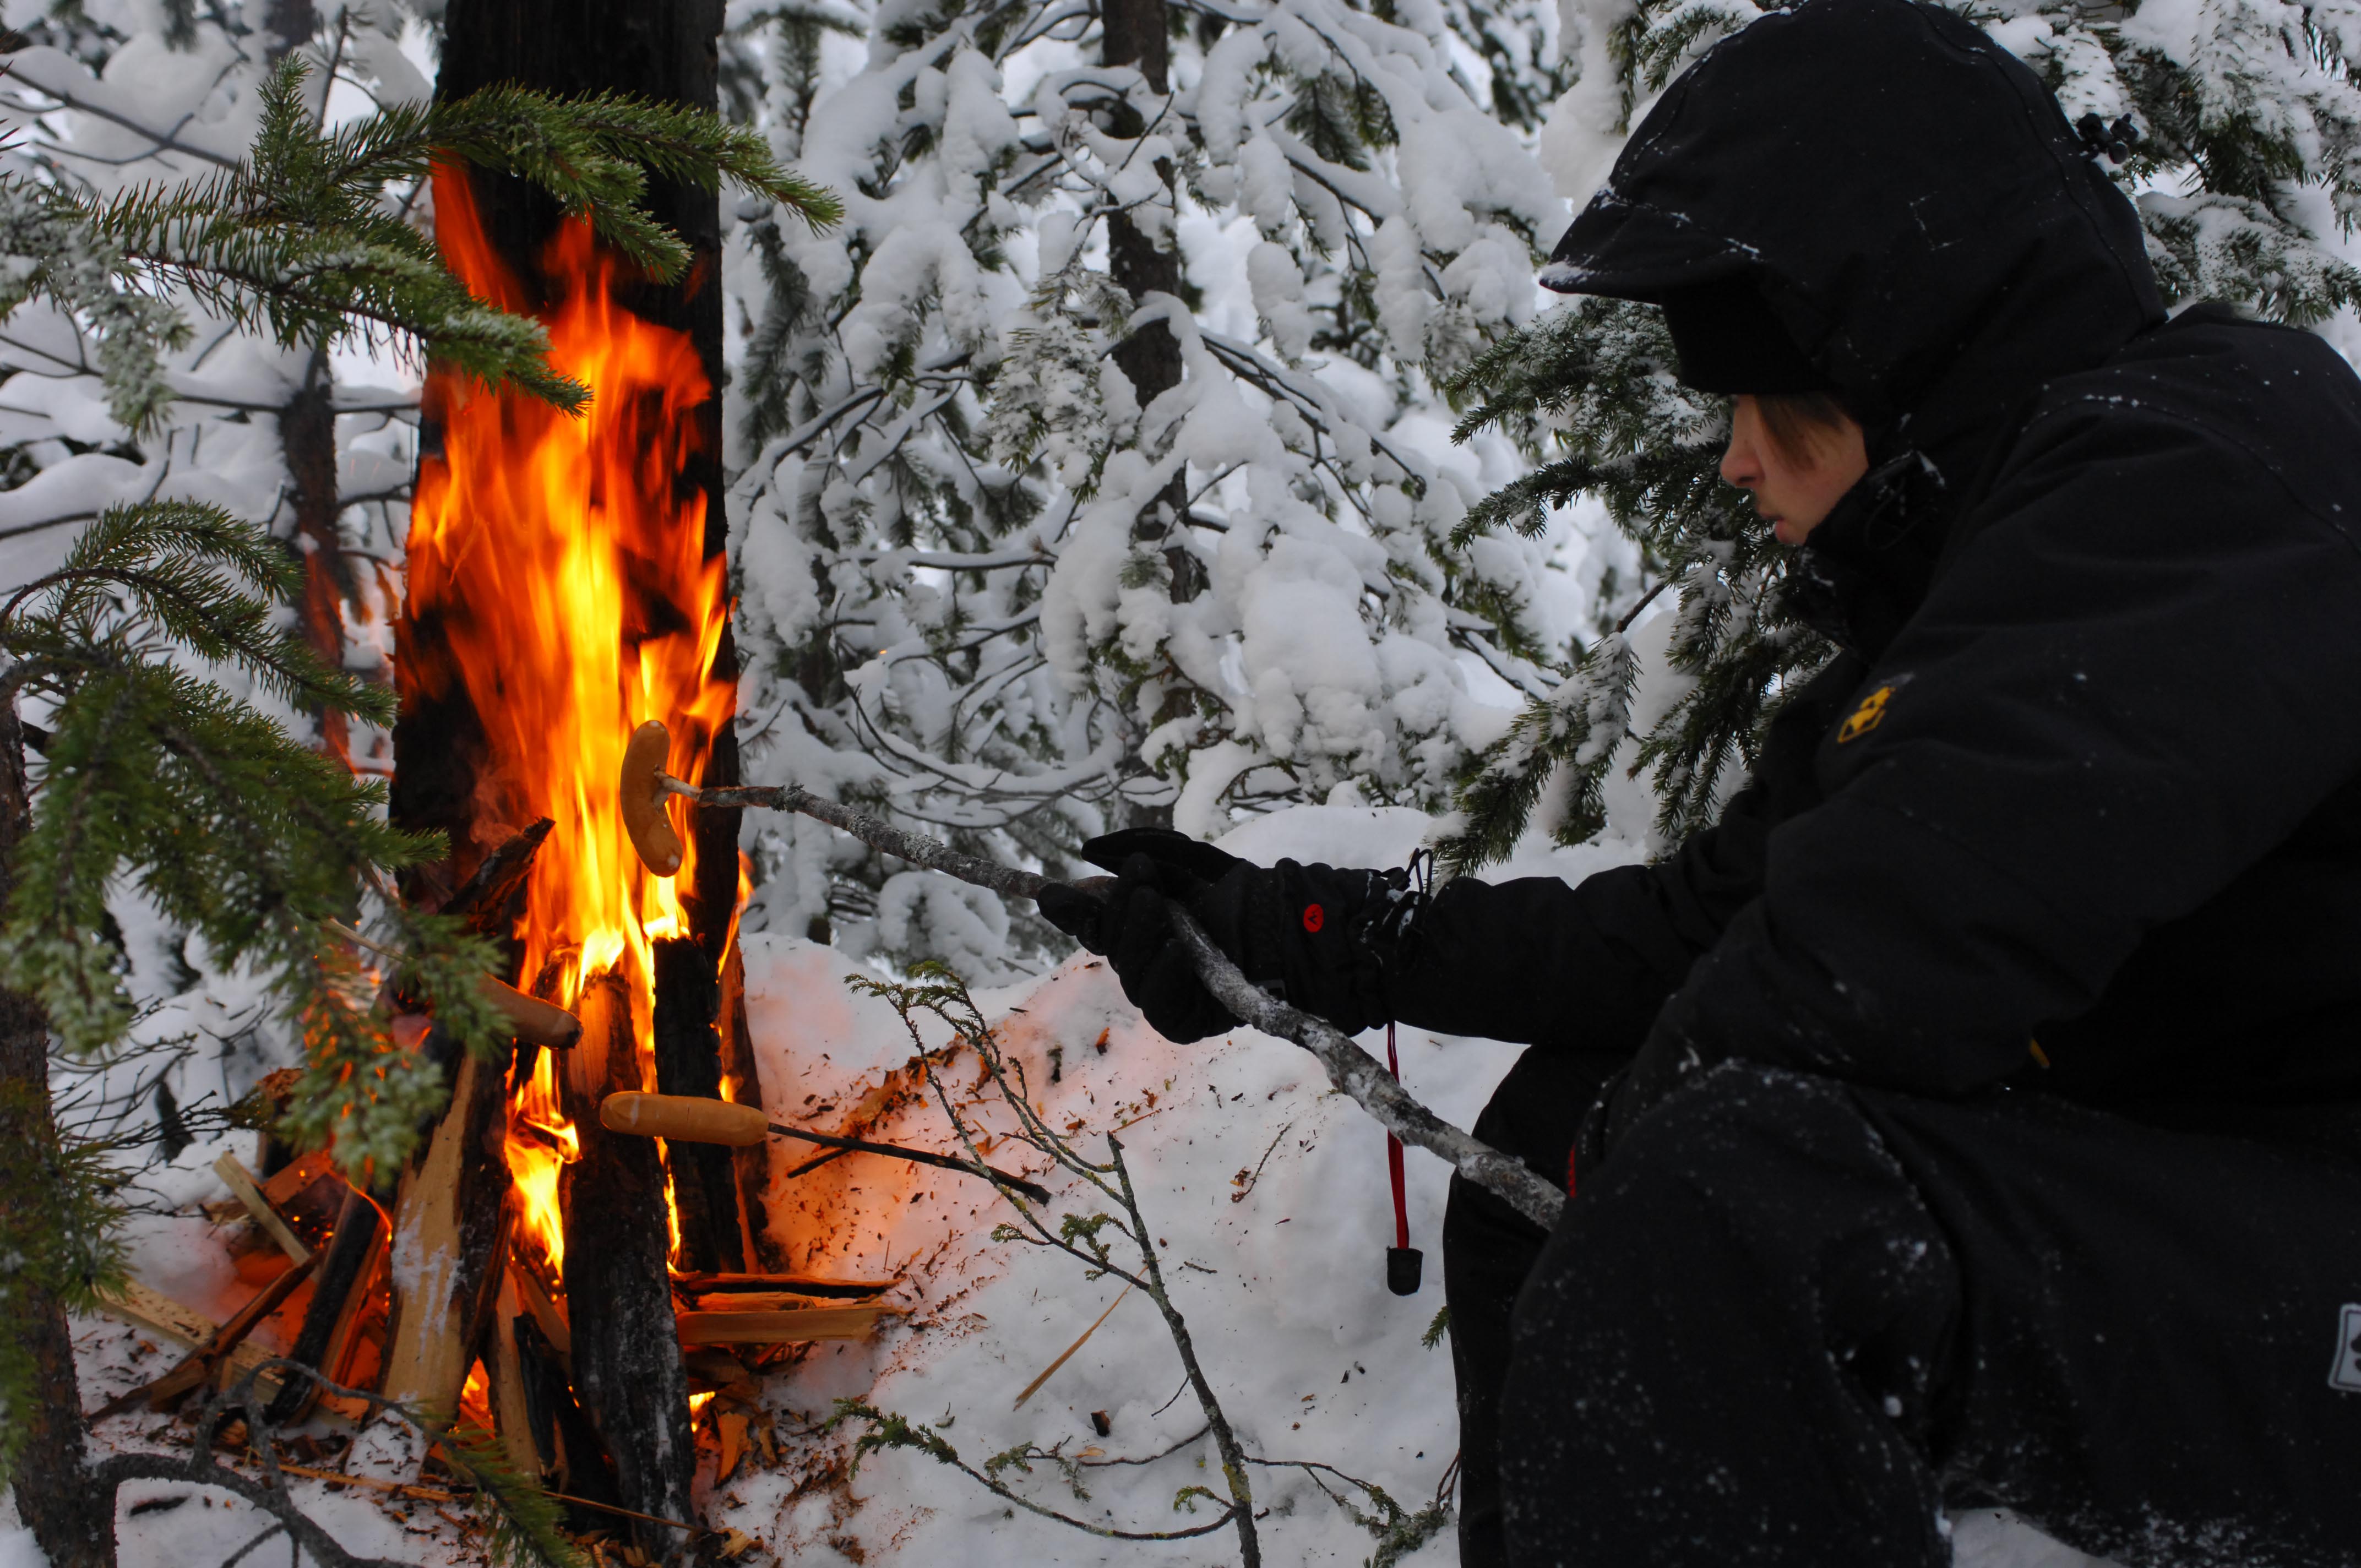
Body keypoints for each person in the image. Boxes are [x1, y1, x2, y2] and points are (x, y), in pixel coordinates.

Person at [1041, 0, 2361, 1562]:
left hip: (2311, 1238)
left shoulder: (2210, 462)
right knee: (1580, 1136)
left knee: (1727, 1199)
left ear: (1898, 345)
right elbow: (1702, 935)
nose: (1736, 461)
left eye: (1761, 402)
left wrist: (1641, 1170)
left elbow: (1893, 939)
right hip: (2203, 1209)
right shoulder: (1986, 586)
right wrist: (1300, 937)